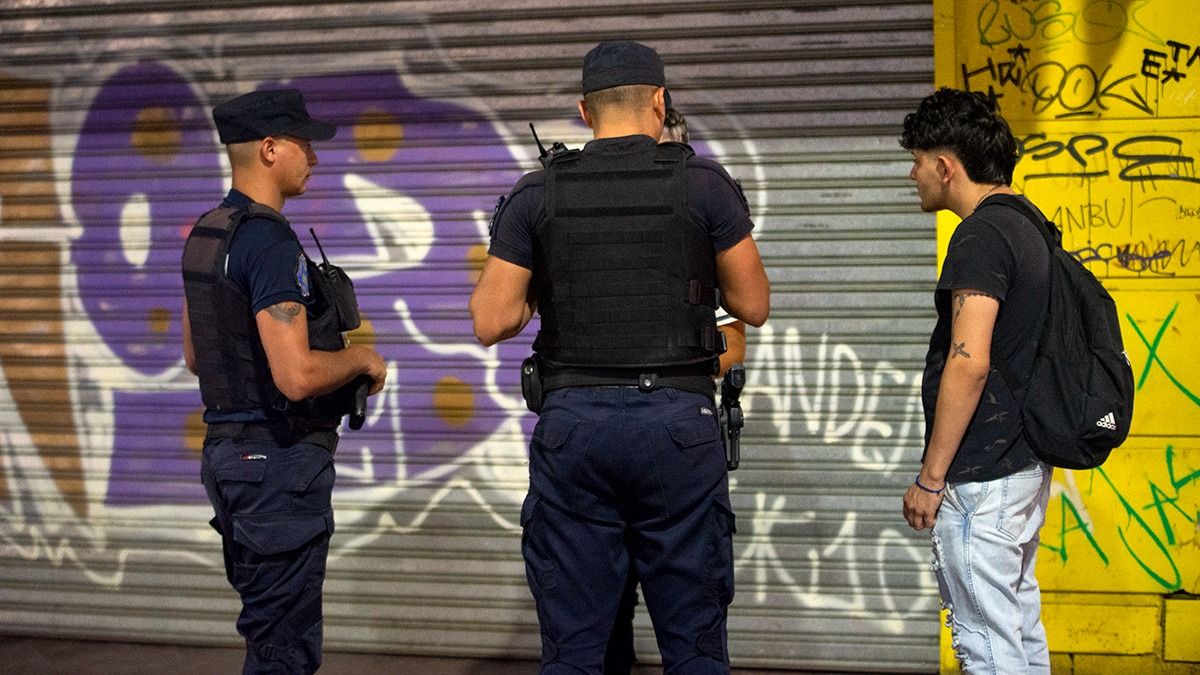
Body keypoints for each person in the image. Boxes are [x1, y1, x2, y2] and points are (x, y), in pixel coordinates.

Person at [471, 41, 769, 674]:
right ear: (659, 101)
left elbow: (491, 320)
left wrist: (545, 284)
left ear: (585, 111)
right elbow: (754, 304)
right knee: (693, 642)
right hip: (677, 428)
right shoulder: (704, 185)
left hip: (574, 426)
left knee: (577, 645)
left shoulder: (536, 193)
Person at [181, 88, 387, 674]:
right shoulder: (269, 242)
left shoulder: (208, 234)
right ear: (270, 149)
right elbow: (296, 377)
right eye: (304, 145)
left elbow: (198, 356)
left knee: (267, 633)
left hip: (229, 460)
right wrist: (363, 360)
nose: (314, 159)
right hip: (275, 465)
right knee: (283, 654)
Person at [899, 87, 1054, 674]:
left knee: (987, 646)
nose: (912, 175)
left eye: (917, 161)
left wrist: (931, 478)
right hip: (1020, 467)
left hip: (983, 475)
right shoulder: (1030, 225)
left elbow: (969, 359)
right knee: (1016, 631)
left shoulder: (982, 238)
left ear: (946, 166)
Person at [603, 104, 749, 675]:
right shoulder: (588, 221)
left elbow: (736, 340)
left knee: (690, 613)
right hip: (606, 438)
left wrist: (664, 352)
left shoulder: (700, 226)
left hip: (676, 431)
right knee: (601, 619)